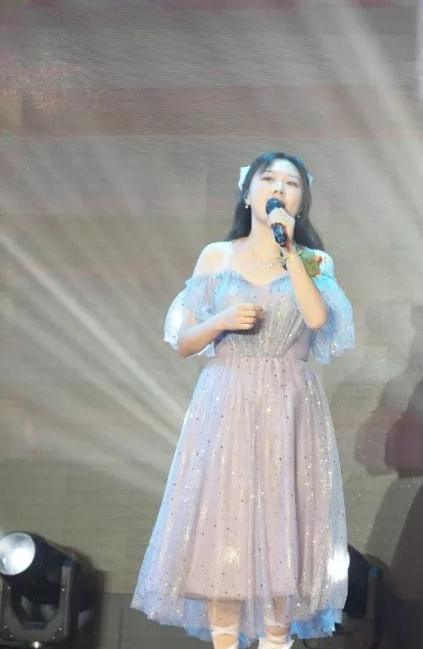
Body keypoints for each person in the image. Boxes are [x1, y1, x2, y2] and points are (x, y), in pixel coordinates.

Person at [132, 152, 356, 649]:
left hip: (290, 405)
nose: (279, 188)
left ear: (301, 199)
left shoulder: (315, 261)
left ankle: (277, 642)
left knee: (284, 528)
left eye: (290, 183)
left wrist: (289, 250)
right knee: (225, 529)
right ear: (248, 191)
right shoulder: (217, 256)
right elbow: (184, 341)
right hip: (227, 402)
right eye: (268, 179)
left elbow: (318, 320)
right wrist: (221, 320)